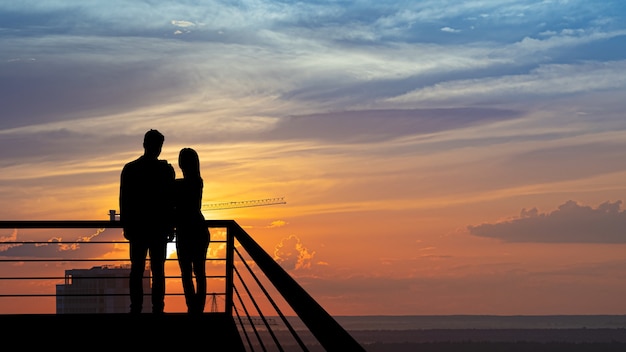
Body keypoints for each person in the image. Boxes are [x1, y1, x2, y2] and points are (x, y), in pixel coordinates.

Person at [119, 129, 175, 314]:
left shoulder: (130, 169)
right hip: (158, 227)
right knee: (158, 270)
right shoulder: (166, 170)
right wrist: (170, 226)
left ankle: (136, 309)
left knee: (137, 269)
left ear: (144, 144)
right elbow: (169, 201)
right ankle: (158, 308)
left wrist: (127, 225)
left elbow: (124, 200)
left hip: (138, 228)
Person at [174, 147, 210, 314]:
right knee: (199, 272)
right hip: (199, 229)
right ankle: (198, 309)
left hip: (185, 231)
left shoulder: (183, 184)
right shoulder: (198, 181)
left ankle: (193, 308)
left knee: (187, 273)